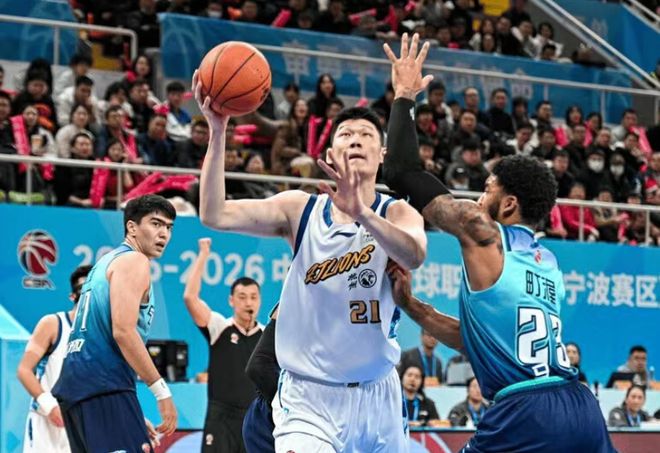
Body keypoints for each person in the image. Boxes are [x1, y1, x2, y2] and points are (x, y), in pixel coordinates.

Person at [382, 33, 615, 453]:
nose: (477, 199)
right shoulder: (548, 263)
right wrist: (412, 306)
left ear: (508, 204)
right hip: (581, 407)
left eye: (487, 189)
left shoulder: (482, 231)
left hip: (525, 412)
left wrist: (404, 95)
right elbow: (474, 341)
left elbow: (401, 171)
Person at [193, 42, 427, 451]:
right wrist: (218, 130)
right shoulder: (300, 209)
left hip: (378, 396)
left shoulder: (396, 213)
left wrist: (363, 214)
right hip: (309, 398)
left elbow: (414, 255)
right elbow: (215, 214)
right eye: (346, 134)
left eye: (366, 134)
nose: (356, 139)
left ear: (382, 153)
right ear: (331, 153)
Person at [52, 195, 178, 453]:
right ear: (132, 227)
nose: (163, 233)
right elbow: (123, 331)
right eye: (155, 223)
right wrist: (161, 392)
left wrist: (129, 415)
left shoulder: (104, 264)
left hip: (81, 391)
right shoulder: (134, 261)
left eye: (168, 227)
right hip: (104, 385)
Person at [183, 238, 263, 453]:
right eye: (242, 297)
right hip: (221, 420)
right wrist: (203, 254)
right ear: (231, 301)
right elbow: (190, 298)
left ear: (260, 301)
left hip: (253, 420)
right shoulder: (219, 327)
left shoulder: (267, 336)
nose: (248, 303)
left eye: (253, 297)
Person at [17, 265, 91, 453]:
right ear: (73, 296)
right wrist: (49, 406)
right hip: (46, 421)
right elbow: (24, 370)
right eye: (83, 290)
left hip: (81, 424)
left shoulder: (104, 334)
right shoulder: (53, 324)